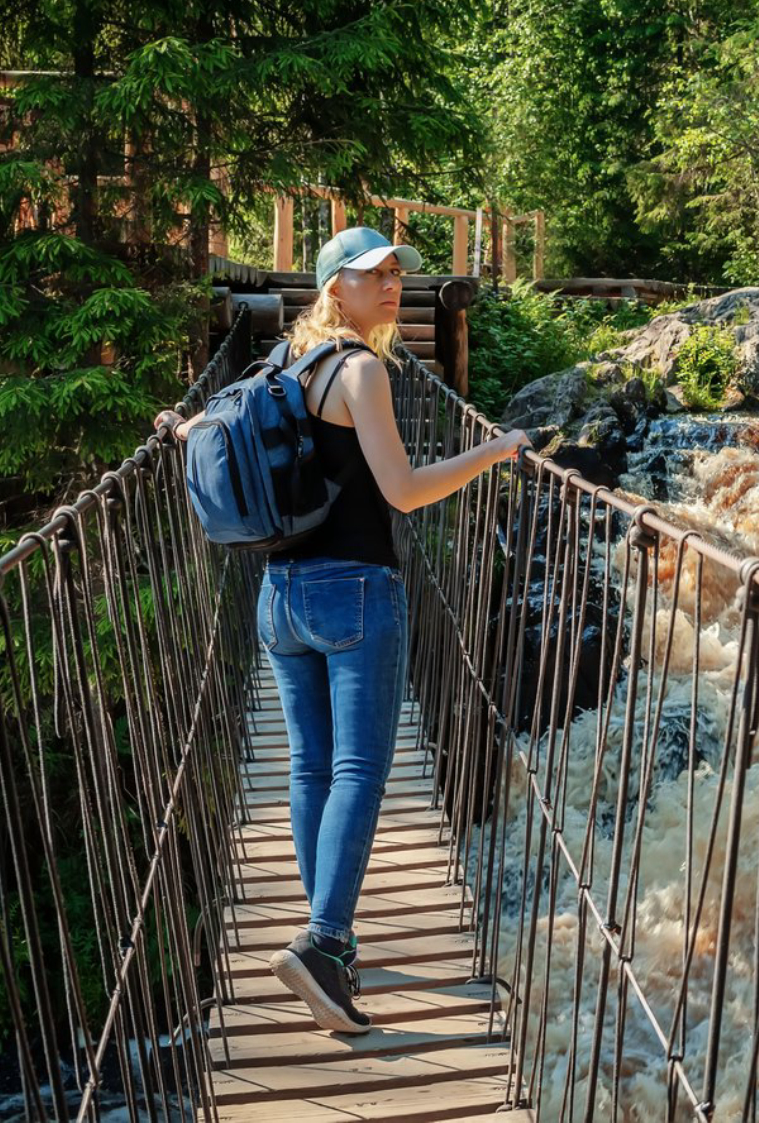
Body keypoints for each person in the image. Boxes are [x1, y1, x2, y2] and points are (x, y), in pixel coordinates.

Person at [157, 226, 527, 1034]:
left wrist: (179, 431)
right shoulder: (361, 368)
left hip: (278, 598)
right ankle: (324, 944)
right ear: (335, 288)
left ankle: (334, 935)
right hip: (355, 592)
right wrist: (491, 452)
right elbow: (401, 491)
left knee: (310, 767)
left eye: (397, 274)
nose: (392, 286)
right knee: (358, 768)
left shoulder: (282, 365)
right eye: (373, 275)